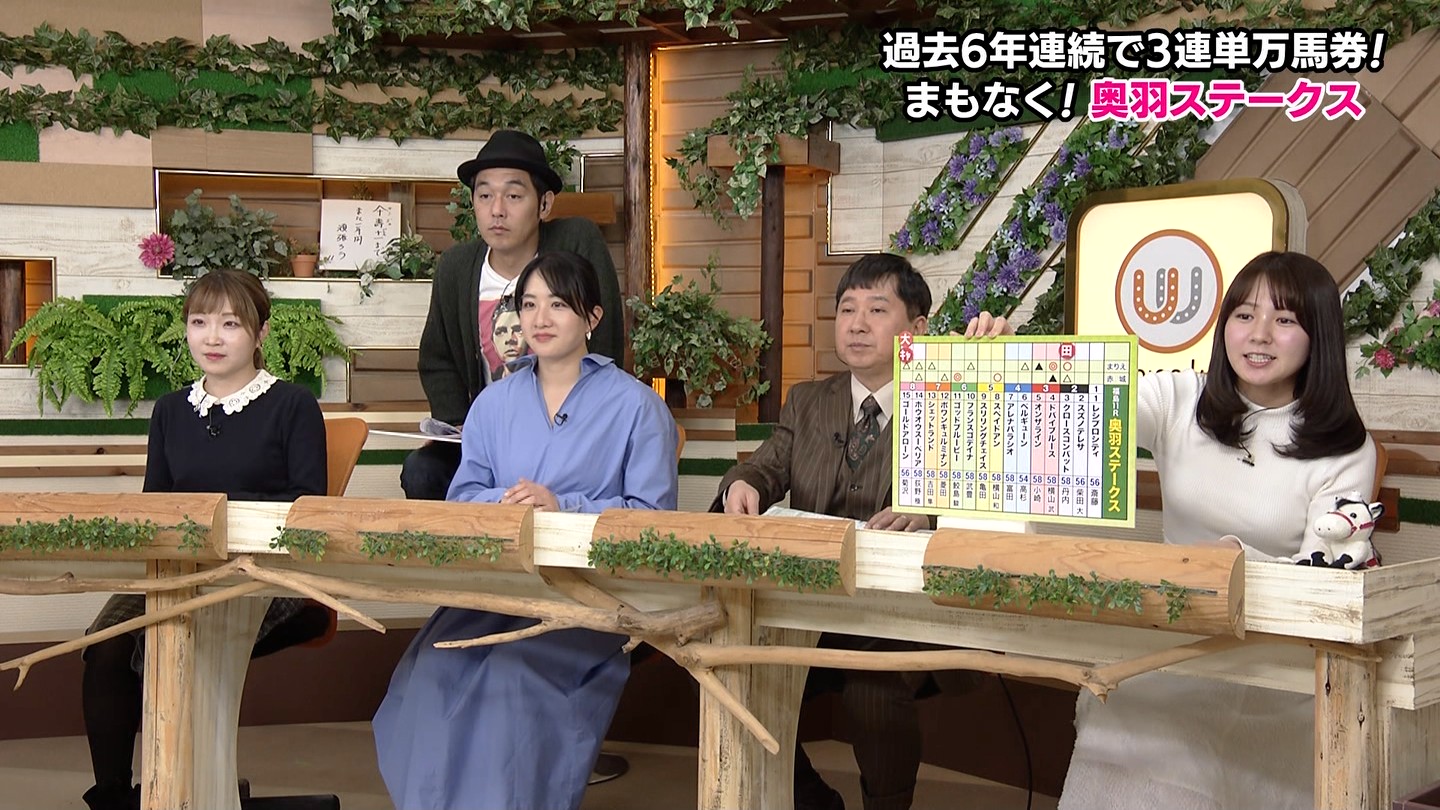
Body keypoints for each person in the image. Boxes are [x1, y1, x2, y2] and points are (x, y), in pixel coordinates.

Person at [975, 251, 1374, 810]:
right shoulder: (1181, 397)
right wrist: (1013, 361)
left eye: (1284, 319)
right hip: (1174, 638)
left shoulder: (1346, 446)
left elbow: (1325, 576)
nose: (1258, 334)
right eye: (1244, 315)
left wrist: (1234, 560)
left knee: (1185, 734)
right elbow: (1086, 405)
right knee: (1133, 718)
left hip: (1276, 656)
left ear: (1318, 336)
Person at [373, 251, 678, 810]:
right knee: (436, 665)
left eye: (558, 305)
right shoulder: (493, 403)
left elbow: (652, 521)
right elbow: (463, 498)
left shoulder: (637, 407)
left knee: (510, 677)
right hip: (501, 591)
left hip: (592, 597)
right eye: (529, 304)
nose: (539, 318)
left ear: (592, 317)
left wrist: (563, 506)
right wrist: (507, 502)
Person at [716, 253, 999, 810]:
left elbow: (989, 500)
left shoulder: (954, 397)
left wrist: (931, 516)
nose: (857, 324)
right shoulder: (808, 401)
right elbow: (765, 467)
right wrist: (741, 485)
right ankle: (811, 801)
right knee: (727, 668)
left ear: (917, 328)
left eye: (876, 309)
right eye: (847, 310)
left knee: (873, 687)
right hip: (812, 606)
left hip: (906, 615)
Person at [80, 269, 330, 810]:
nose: (212, 337)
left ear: (261, 333)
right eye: (199, 322)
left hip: (264, 572)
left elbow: (308, 507)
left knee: (172, 642)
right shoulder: (171, 410)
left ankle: (193, 788)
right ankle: (115, 798)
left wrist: (223, 526)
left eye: (230, 324)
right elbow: (156, 505)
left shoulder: (292, 405)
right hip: (179, 570)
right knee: (106, 644)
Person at [402, 129, 624, 502]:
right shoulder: (457, 267)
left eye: (514, 195)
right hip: (488, 439)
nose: (497, 210)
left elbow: (605, 340)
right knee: (422, 471)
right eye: (484, 195)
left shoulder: (575, 243)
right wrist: (459, 425)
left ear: (544, 204)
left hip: (568, 433)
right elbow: (437, 360)